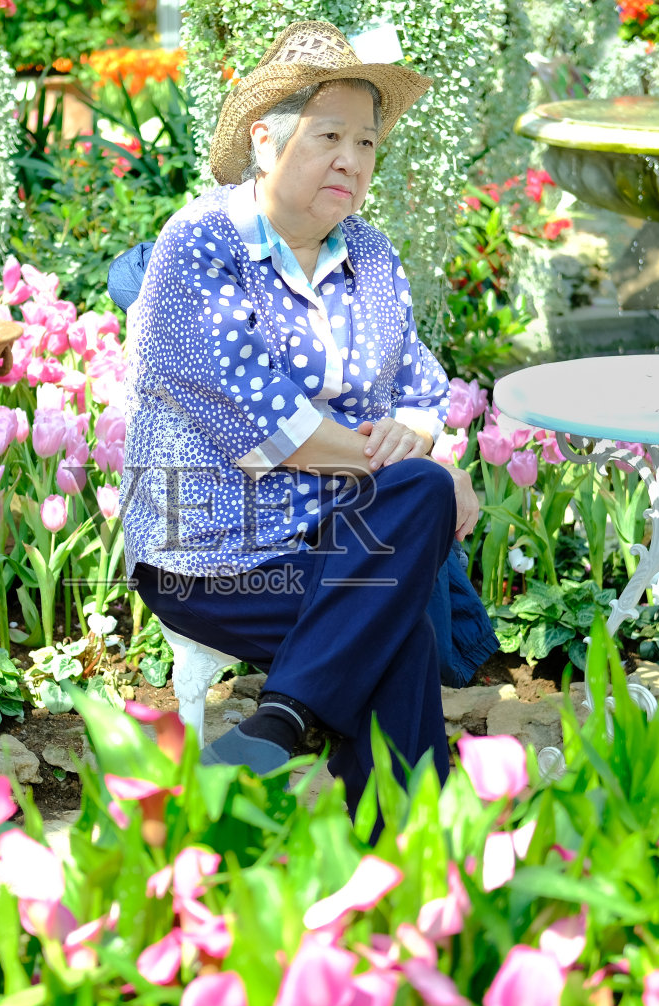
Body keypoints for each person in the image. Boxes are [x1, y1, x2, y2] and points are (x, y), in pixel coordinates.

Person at [118, 21, 487, 811]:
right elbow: (282, 435)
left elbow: (422, 388)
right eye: (329, 136)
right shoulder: (199, 245)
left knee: (412, 513)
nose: (351, 160)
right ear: (264, 142)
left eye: (365, 141)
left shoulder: (373, 255)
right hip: (214, 556)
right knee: (403, 613)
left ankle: (285, 716)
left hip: (338, 542)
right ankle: (417, 846)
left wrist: (424, 448)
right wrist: (428, 469)